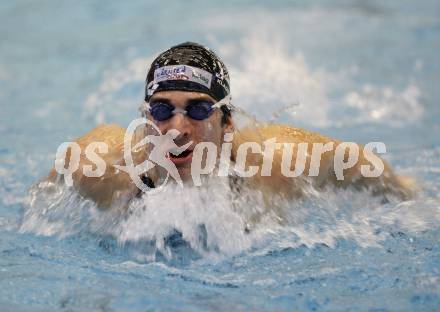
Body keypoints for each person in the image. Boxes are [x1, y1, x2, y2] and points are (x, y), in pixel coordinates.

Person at [47, 42, 415, 209]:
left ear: (227, 123)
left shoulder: (275, 163)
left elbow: (360, 161)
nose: (177, 128)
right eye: (162, 111)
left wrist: (410, 199)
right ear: (146, 122)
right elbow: (39, 203)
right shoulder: (101, 168)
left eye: (198, 110)